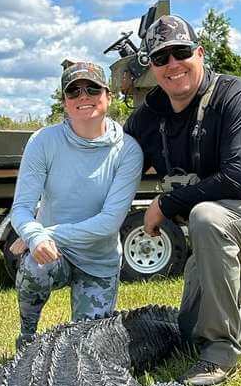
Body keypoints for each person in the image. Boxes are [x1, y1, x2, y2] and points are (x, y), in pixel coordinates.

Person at [124, 14, 241, 386]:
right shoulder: (148, 117)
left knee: (206, 215)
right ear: (152, 67)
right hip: (216, 227)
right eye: (161, 58)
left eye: (181, 52)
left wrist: (165, 204)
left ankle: (221, 353)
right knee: (190, 331)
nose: (172, 64)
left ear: (199, 53)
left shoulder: (238, 96)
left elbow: (238, 179)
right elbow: (112, 168)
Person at [9, 61, 143, 349]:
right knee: (34, 265)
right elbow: (21, 208)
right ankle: (26, 338)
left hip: (99, 261)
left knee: (86, 348)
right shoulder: (43, 141)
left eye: (93, 89)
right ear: (65, 102)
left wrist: (44, 233)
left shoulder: (128, 150)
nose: (84, 97)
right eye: (74, 91)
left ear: (108, 96)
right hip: (54, 255)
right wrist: (36, 238)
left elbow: (109, 222)